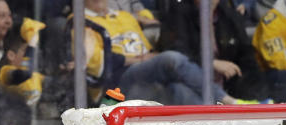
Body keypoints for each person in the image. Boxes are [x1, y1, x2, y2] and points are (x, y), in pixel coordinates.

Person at [82, 0, 258, 105]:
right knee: (172, 58)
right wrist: (139, 59)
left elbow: (147, 50)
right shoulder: (81, 23)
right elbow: (96, 64)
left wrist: (147, 57)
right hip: (118, 84)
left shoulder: (125, 16)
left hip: (143, 81)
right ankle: (229, 102)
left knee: (178, 90)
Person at [158, 0, 273, 102]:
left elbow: (246, 55)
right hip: (190, 84)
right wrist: (211, 63)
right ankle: (209, 124)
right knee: (180, 91)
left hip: (226, 84)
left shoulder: (229, 15)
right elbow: (176, 54)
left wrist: (255, 89)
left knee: (267, 78)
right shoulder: (178, 13)